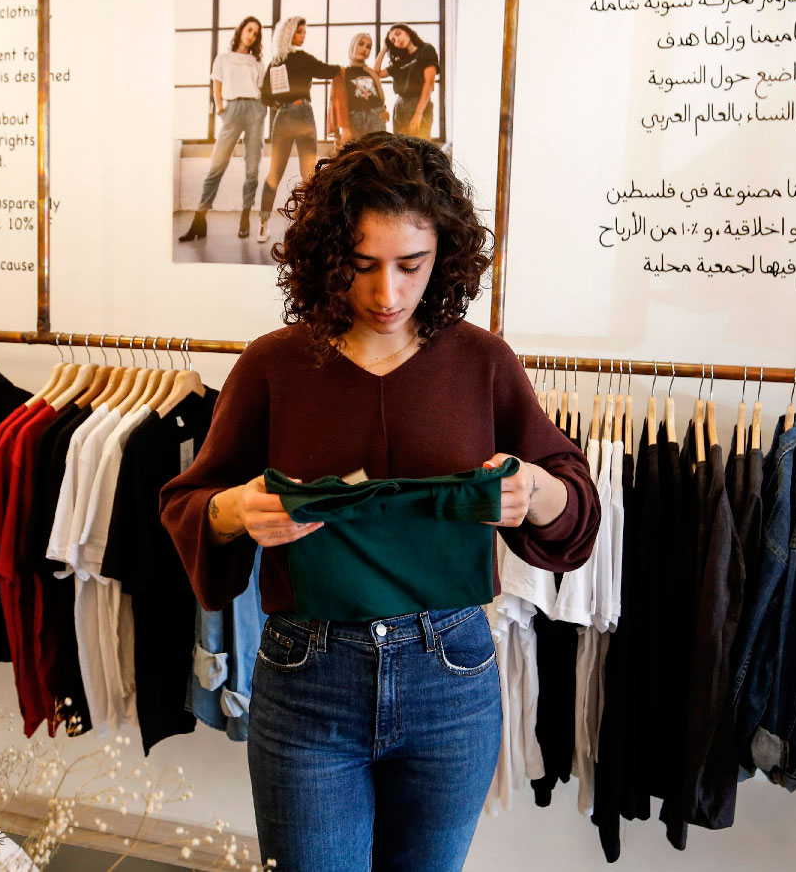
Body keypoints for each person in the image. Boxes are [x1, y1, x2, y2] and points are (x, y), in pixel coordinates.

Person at [159, 133, 600, 871]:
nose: (387, 293)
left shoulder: (482, 362)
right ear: (328, 257)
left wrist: (536, 489)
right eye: (363, 266)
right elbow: (187, 500)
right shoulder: (275, 363)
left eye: (410, 265)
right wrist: (236, 508)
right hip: (307, 679)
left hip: (451, 677)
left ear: (445, 256)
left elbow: (574, 502)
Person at [180, 16, 266, 242]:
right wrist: (220, 110)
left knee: (252, 167)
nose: (252, 35)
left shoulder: (257, 61)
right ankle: (200, 219)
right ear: (240, 31)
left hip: (255, 109)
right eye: (249, 30)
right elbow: (216, 84)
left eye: (256, 33)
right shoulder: (224, 58)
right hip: (232, 109)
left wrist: (262, 108)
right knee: (217, 164)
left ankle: (245, 215)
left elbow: (262, 88)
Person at [255, 15, 341, 243]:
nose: (303, 36)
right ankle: (311, 225)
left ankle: (262, 225)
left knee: (274, 173)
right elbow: (328, 70)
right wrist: (345, 70)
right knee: (309, 175)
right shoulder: (301, 58)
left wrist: (281, 104)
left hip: (283, 116)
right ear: (289, 33)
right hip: (303, 115)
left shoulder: (275, 62)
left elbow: (264, 95)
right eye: (300, 31)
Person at [374, 23, 439, 139]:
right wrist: (384, 48)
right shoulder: (399, 61)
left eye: (398, 34)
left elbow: (429, 83)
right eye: (393, 41)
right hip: (400, 105)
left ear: (407, 31)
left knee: (419, 147)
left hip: (419, 103)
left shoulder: (426, 50)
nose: (397, 40)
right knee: (399, 147)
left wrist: (418, 114)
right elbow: (376, 73)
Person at [329, 32, 389, 149]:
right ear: (353, 46)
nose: (364, 49)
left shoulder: (371, 73)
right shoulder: (342, 73)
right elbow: (337, 103)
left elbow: (379, 96)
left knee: (380, 156)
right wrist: (343, 130)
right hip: (354, 121)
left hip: (376, 118)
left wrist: (384, 110)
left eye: (368, 47)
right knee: (356, 158)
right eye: (361, 44)